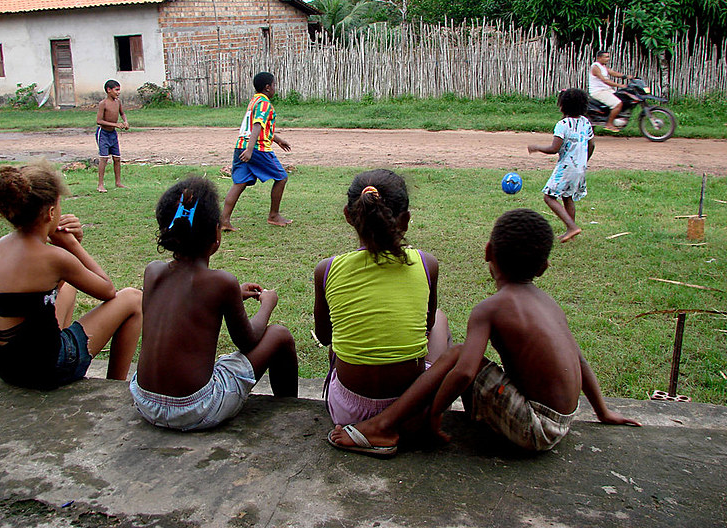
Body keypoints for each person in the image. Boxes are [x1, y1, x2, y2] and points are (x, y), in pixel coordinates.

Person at [328, 209, 641, 457]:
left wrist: (434, 415)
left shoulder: (489, 309)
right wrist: (603, 411)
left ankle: (383, 425)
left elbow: (465, 371)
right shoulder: (549, 304)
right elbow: (580, 360)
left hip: (534, 427)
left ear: (488, 251)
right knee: (464, 356)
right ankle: (410, 418)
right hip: (561, 422)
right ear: (543, 267)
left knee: (460, 354)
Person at [130, 176, 299, 431]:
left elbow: (181, 304)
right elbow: (248, 341)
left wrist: (231, 296)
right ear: (216, 234)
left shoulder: (153, 271)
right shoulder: (221, 282)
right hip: (194, 408)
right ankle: (292, 413)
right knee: (279, 335)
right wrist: (267, 303)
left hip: (145, 400)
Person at [0, 160, 142, 389]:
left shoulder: (1, 245)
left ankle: (58, 344)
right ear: (50, 212)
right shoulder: (55, 258)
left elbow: (44, 285)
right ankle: (113, 387)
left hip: (4, 364)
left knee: (68, 287)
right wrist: (73, 246)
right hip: (45, 369)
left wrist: (63, 246)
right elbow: (108, 291)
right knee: (133, 299)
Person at [314, 169, 452, 428]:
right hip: (410, 409)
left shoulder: (327, 269)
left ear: (348, 215)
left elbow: (324, 337)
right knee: (440, 318)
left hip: (348, 413)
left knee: (341, 337)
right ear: (406, 219)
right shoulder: (427, 264)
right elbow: (428, 326)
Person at [220, 72, 292, 231]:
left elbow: (258, 127)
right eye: (274, 85)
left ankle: (224, 221)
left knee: (240, 183)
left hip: (241, 145)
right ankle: (274, 215)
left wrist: (277, 140)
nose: (275, 88)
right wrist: (250, 150)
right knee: (281, 177)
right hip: (257, 148)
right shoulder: (265, 103)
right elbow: (257, 125)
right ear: (267, 87)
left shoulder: (254, 101)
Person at [528, 88, 595, 243]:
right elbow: (592, 145)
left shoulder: (562, 125)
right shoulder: (586, 123)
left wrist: (537, 147)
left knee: (549, 197)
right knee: (567, 196)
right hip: (580, 168)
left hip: (566, 168)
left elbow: (554, 148)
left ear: (562, 106)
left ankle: (572, 227)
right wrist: (584, 161)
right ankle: (570, 232)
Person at [96, 79, 129, 193]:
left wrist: (125, 122)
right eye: (116, 90)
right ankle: (100, 184)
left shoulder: (118, 102)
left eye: (119, 90)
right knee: (104, 158)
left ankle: (118, 182)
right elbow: (99, 121)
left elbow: (122, 113)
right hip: (103, 134)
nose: (118, 92)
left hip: (113, 134)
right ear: (109, 90)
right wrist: (115, 124)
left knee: (117, 158)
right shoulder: (103, 103)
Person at [588, 50, 632, 132]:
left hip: (606, 90)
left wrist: (626, 76)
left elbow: (613, 73)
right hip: (598, 91)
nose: (608, 59)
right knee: (618, 104)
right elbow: (605, 80)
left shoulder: (603, 67)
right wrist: (620, 85)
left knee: (623, 98)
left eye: (608, 57)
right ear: (599, 58)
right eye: (605, 57)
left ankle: (618, 118)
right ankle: (609, 124)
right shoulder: (595, 67)